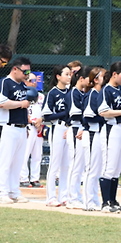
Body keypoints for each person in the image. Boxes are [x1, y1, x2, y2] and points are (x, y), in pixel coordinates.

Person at [98, 61, 121, 213]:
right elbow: (103, 112)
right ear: (115, 74)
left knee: (117, 168)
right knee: (109, 167)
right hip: (112, 128)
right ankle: (105, 203)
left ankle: (113, 200)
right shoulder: (106, 90)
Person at [0, 57, 32, 204]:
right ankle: (2, 192)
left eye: (28, 71)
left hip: (22, 127)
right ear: (15, 69)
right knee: (5, 162)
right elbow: (2, 103)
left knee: (17, 163)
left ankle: (14, 191)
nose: (27, 74)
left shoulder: (23, 85)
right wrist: (21, 104)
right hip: (9, 126)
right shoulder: (5, 82)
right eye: (24, 71)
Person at [43, 65, 72, 207]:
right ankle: (50, 197)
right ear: (58, 76)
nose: (69, 76)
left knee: (66, 165)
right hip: (57, 128)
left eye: (70, 74)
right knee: (55, 164)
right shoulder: (53, 93)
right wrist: (64, 113)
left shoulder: (71, 92)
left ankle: (64, 196)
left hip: (69, 129)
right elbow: (47, 115)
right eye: (66, 74)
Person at [65, 66, 92, 209]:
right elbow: (74, 114)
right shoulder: (73, 92)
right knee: (75, 165)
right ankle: (71, 198)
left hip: (81, 129)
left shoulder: (82, 93)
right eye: (89, 78)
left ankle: (76, 196)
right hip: (75, 128)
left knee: (80, 166)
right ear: (81, 78)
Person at [82, 67, 106, 211]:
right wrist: (105, 116)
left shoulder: (101, 93)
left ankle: (94, 200)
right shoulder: (92, 94)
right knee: (91, 169)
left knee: (97, 170)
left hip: (98, 133)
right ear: (95, 79)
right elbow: (88, 116)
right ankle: (88, 202)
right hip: (91, 133)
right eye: (103, 76)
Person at [20, 73, 45, 188]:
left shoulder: (41, 96)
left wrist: (40, 122)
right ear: (25, 81)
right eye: (31, 80)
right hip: (28, 127)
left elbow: (44, 112)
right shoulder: (22, 94)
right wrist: (30, 120)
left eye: (35, 80)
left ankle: (35, 179)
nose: (34, 83)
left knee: (37, 155)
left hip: (39, 128)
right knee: (25, 154)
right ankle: (23, 178)